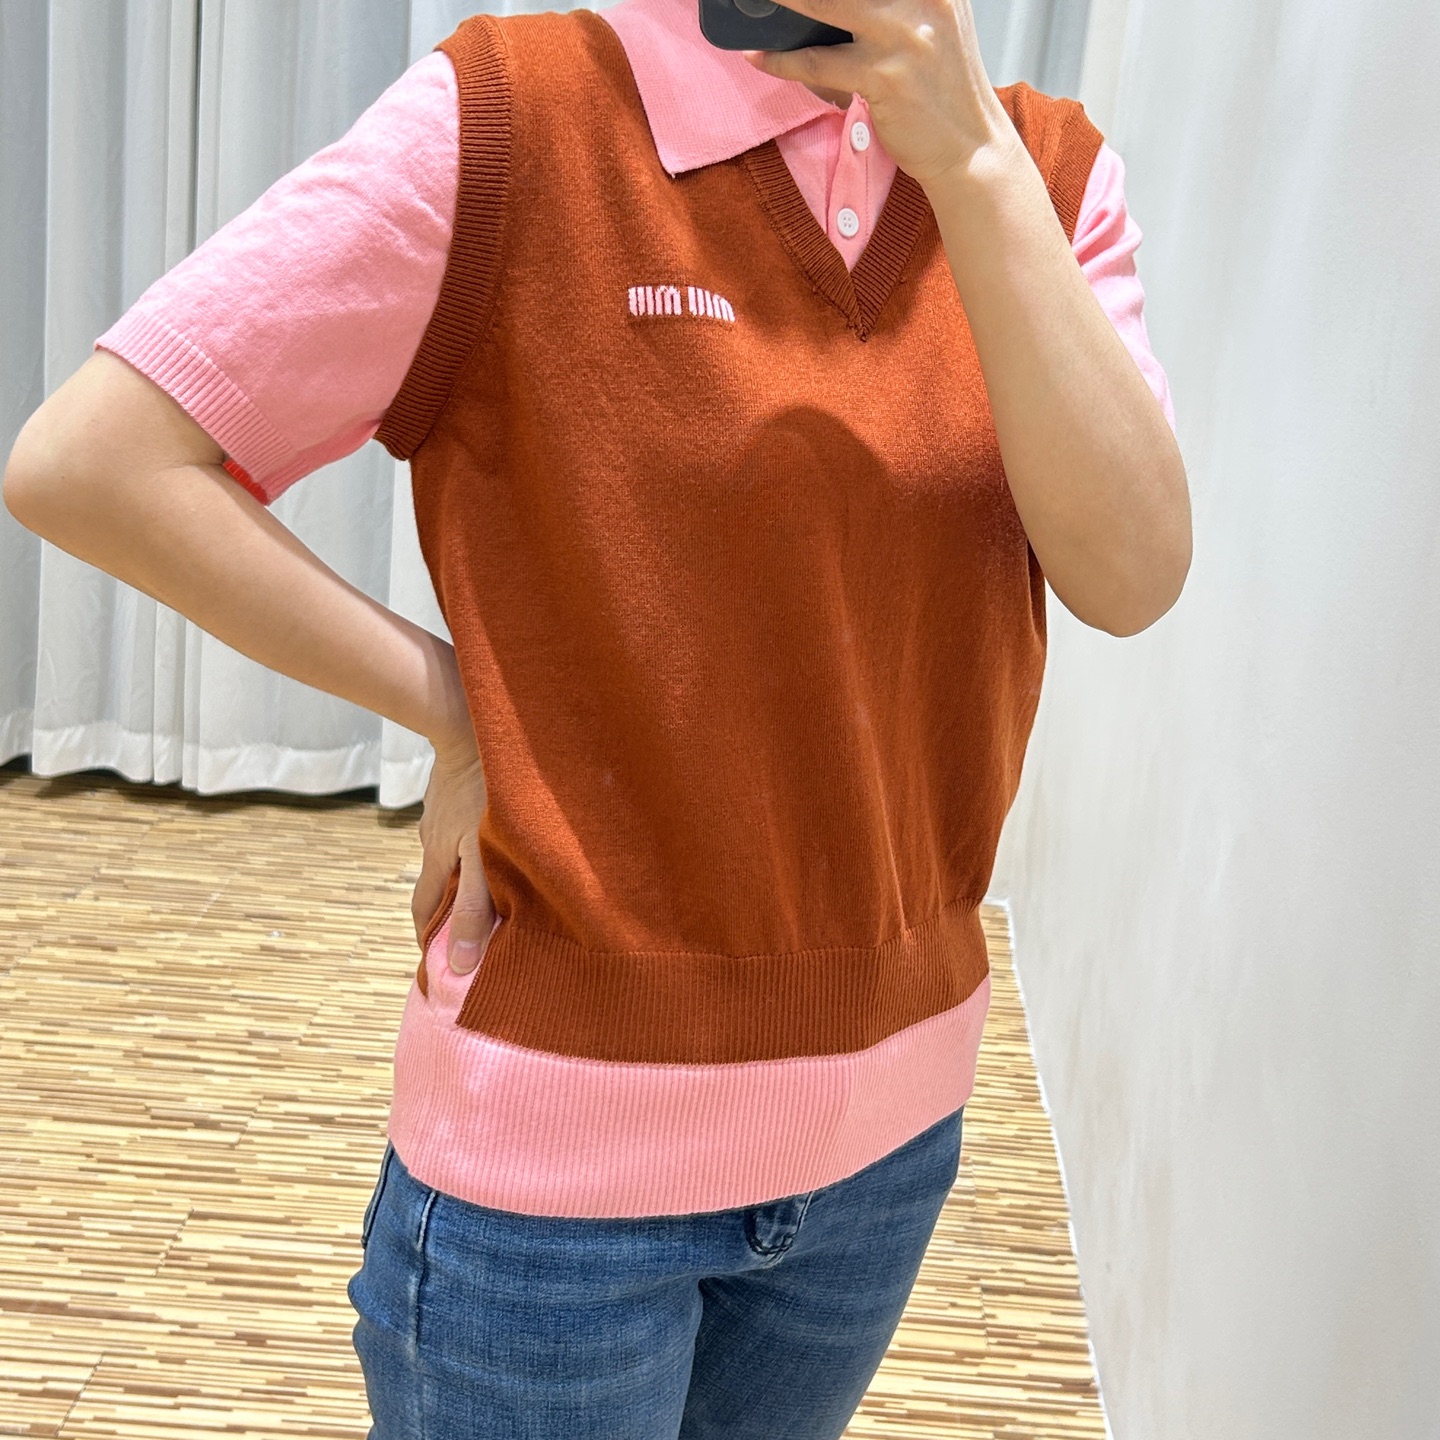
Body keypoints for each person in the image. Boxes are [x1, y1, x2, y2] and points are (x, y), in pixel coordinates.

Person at [2, 0, 1190, 1433]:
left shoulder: (1049, 173)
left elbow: (1130, 576)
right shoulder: (518, 120)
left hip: (885, 1143)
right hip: (551, 1187)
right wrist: (456, 709)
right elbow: (97, 462)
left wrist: (978, 169)